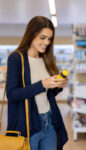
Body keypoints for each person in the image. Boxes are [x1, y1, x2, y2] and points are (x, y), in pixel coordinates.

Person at [6, 16, 68, 150]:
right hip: (28, 125)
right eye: (43, 37)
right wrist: (43, 84)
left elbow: (47, 94)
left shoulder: (46, 58)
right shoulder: (16, 58)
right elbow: (11, 94)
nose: (47, 42)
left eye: (49, 39)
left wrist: (58, 85)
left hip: (50, 121)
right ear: (32, 34)